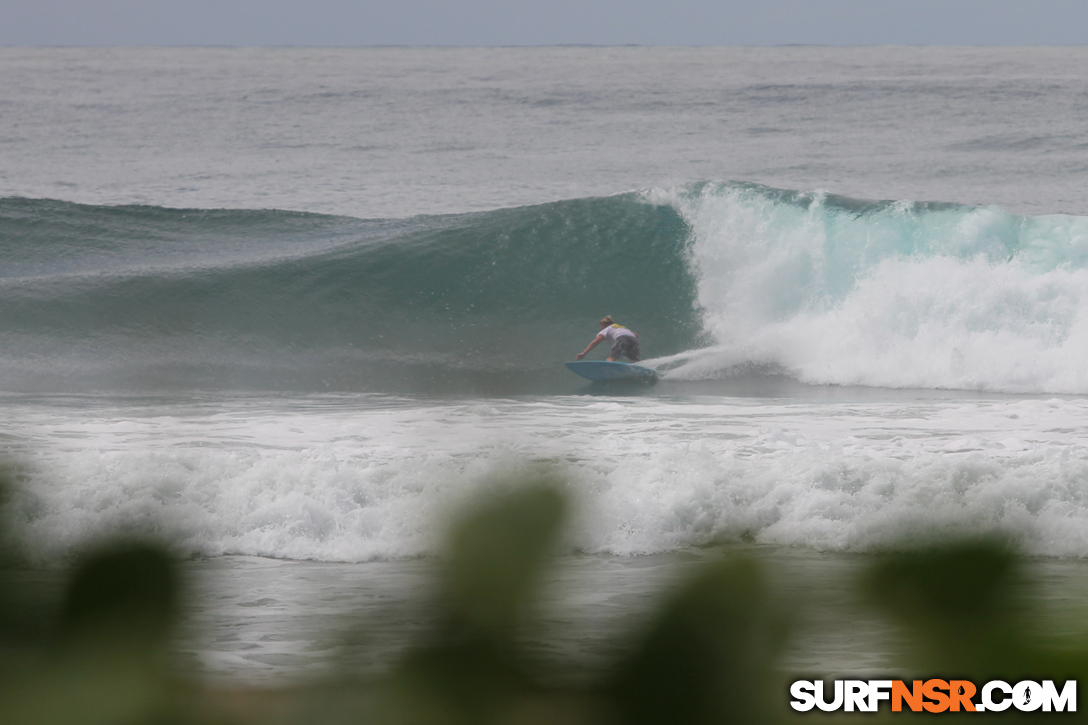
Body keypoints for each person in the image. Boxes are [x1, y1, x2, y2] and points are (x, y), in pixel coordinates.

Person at [575, 316, 641, 362]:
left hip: (622, 339)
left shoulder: (607, 329)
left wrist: (584, 353)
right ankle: (639, 370)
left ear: (605, 324)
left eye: (601, 325)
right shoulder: (622, 327)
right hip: (634, 341)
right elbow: (636, 335)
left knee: (610, 358)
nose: (601, 328)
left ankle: (608, 368)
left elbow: (596, 341)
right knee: (635, 361)